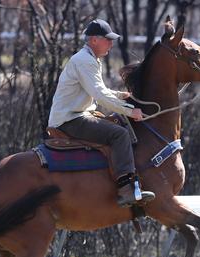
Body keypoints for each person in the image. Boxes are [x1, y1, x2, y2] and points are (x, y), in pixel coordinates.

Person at [48, 19, 155, 207]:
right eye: (108, 39)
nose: (111, 44)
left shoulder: (89, 59)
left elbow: (100, 90)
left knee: (118, 125)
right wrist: (131, 111)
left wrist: (120, 96)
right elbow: (99, 95)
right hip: (70, 120)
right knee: (120, 134)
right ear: (94, 40)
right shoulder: (84, 61)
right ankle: (125, 189)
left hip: (76, 115)